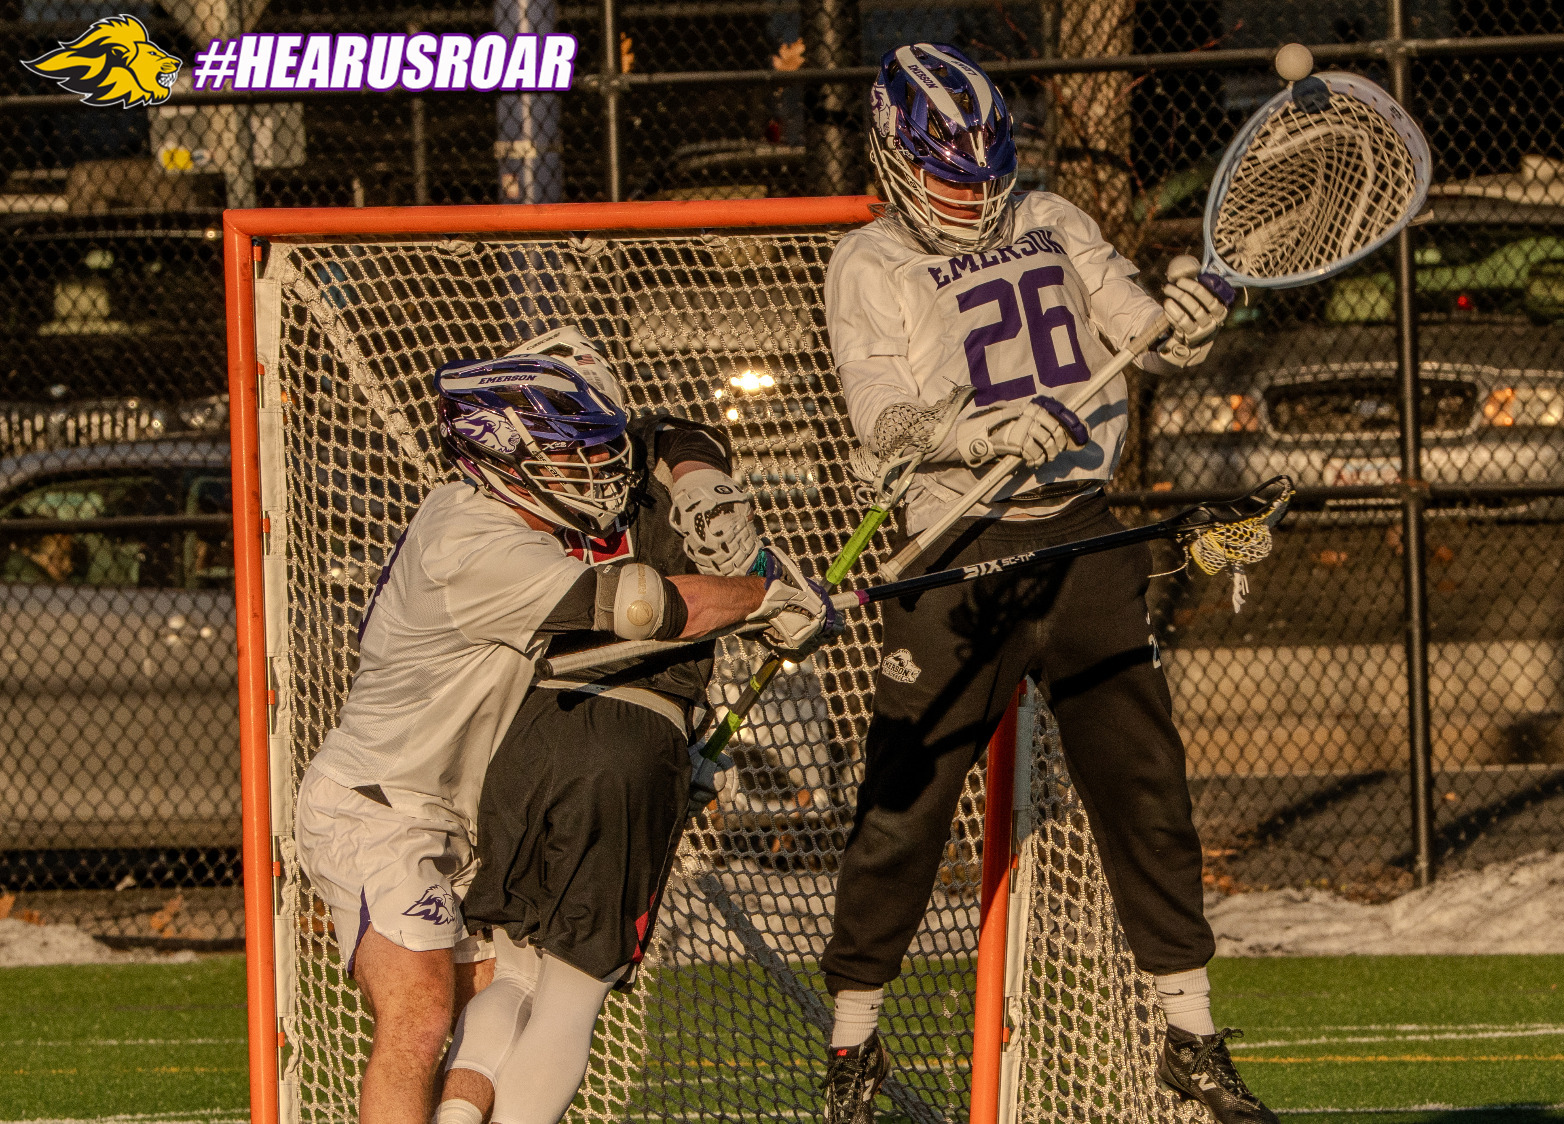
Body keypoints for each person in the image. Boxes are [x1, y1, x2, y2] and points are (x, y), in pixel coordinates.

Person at [816, 42, 1275, 1124]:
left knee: (1145, 787)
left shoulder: (1052, 219)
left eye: (984, 172)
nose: (971, 196)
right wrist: (974, 433)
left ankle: (1190, 1030)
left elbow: (1140, 337)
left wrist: (1186, 329)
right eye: (947, 174)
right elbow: (879, 424)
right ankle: (852, 1045)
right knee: (903, 804)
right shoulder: (868, 263)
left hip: (1077, 533)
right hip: (961, 548)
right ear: (894, 159)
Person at [292, 327, 839, 1124]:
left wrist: (699, 478)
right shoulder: (473, 539)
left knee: (495, 996)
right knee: (418, 1019)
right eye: (568, 452)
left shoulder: (512, 520)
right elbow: (640, 605)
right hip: (381, 809)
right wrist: (769, 596)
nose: (593, 467)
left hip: (460, 810)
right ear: (505, 458)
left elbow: (659, 434)